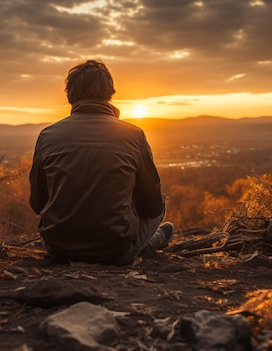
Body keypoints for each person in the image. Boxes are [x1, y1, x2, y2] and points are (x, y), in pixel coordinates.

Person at [29, 59, 174, 265]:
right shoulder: (133, 135)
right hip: (115, 250)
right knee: (159, 199)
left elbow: (37, 204)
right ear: (109, 93)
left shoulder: (47, 135)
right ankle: (146, 244)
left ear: (70, 95)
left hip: (59, 249)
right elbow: (152, 207)